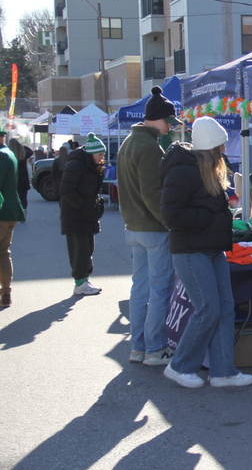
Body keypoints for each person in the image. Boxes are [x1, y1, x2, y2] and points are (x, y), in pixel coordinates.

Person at [160, 116, 252, 389]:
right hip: (191, 250)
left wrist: (218, 219)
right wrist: (212, 218)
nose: (225, 149)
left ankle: (223, 372)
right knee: (208, 308)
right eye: (221, 145)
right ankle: (179, 366)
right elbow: (170, 216)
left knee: (224, 308)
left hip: (212, 248)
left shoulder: (208, 169)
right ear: (211, 147)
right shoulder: (182, 171)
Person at [117, 86, 180, 366]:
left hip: (133, 227)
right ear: (156, 119)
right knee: (159, 291)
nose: (170, 127)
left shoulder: (128, 143)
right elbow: (153, 194)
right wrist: (170, 223)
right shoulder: (150, 147)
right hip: (153, 229)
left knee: (139, 289)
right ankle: (155, 349)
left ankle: (138, 347)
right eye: (169, 122)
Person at [59, 133, 106, 296]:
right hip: (75, 215)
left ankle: (84, 280)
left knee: (87, 249)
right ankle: (80, 283)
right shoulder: (76, 165)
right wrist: (83, 206)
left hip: (87, 215)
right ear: (92, 153)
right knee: (80, 250)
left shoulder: (92, 166)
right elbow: (66, 189)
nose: (102, 158)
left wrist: (94, 206)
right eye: (100, 154)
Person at [0, 128, 26, 308]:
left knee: (3, 252)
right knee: (3, 252)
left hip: (2, 210)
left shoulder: (2, 155)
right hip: (9, 211)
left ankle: (6, 291)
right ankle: (6, 291)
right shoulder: (9, 153)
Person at [8, 139, 33, 217]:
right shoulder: (23, 154)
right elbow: (31, 152)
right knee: (23, 197)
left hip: (13, 179)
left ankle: (14, 213)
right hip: (23, 179)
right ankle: (23, 211)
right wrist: (22, 146)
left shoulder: (9, 154)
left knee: (13, 197)